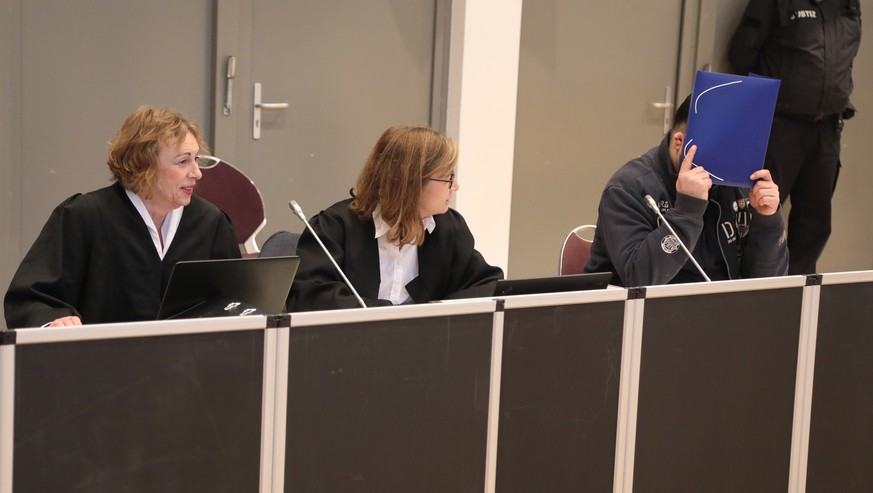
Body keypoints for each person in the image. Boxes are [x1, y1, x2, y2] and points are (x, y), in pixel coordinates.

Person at [4, 106, 241, 328]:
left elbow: (238, 302)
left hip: (190, 365)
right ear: (144, 165)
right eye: (183, 161)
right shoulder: (85, 217)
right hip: (100, 364)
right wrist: (55, 320)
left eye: (196, 159)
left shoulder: (210, 222)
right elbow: (29, 299)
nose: (197, 173)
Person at [288, 125, 503, 311]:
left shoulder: (447, 228)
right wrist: (392, 315)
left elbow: (486, 284)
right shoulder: (335, 227)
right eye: (448, 178)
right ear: (412, 183)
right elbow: (311, 297)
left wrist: (432, 313)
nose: (455, 186)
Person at [583, 96, 789, 287]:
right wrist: (687, 211)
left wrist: (767, 222)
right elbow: (639, 280)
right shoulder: (627, 188)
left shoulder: (736, 182)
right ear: (679, 142)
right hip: (643, 315)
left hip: (718, 313)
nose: (726, 161)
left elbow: (769, 286)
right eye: (717, 149)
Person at [728, 0, 862, 274]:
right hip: (780, 127)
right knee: (760, 210)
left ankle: (800, 294)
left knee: (815, 222)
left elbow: (846, 57)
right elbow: (741, 55)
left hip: (826, 129)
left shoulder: (848, 4)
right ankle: (749, 287)